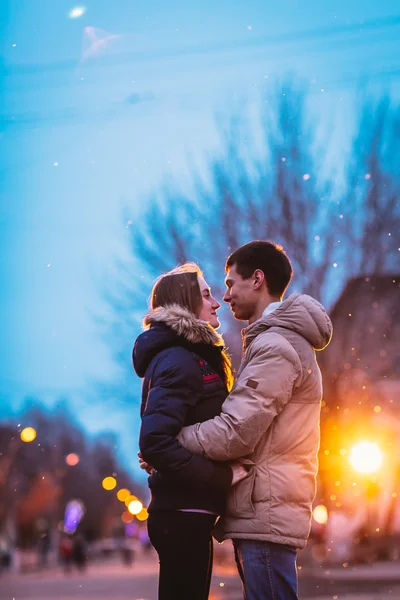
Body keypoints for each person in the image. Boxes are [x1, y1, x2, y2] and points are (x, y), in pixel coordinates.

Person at [176, 241, 333, 600]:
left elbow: (235, 432)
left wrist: (173, 439)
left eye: (231, 284)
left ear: (258, 279)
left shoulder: (276, 344)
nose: (226, 296)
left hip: (266, 511)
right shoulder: (275, 340)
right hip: (265, 508)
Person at [133, 263, 247, 600]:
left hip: (185, 513)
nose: (217, 303)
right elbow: (155, 441)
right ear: (185, 303)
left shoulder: (187, 356)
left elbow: (169, 433)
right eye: (207, 295)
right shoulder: (180, 360)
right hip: (182, 514)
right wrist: (221, 478)